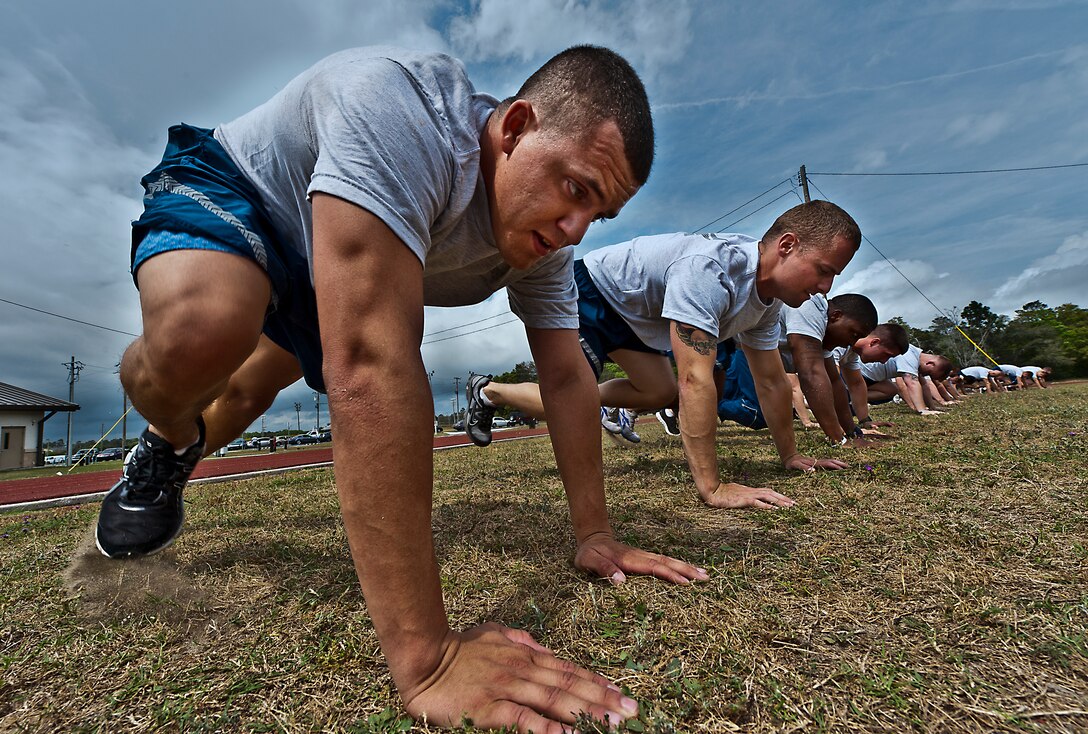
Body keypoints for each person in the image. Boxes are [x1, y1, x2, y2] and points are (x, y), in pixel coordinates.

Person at [93, 45, 705, 732]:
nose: (576, 230)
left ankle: (180, 450)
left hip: (333, 263)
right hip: (247, 193)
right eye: (577, 189)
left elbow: (567, 376)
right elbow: (371, 364)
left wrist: (596, 531)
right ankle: (165, 440)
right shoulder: (405, 114)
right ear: (516, 128)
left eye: (599, 216)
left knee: (242, 397)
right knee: (201, 339)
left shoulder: (546, 245)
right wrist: (430, 659)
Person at [466, 200, 863, 509]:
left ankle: (495, 392)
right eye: (823, 270)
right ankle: (491, 393)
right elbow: (695, 380)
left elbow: (772, 382)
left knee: (657, 393)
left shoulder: (767, 302)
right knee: (573, 399)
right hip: (591, 291)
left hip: (633, 316)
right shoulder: (711, 272)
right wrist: (713, 486)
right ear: (788, 245)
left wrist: (790, 455)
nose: (826, 288)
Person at [718, 293, 879, 446]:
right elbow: (810, 373)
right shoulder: (810, 307)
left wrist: (852, 432)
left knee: (721, 399)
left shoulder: (824, 337)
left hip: (736, 346)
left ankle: (709, 404)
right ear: (836, 316)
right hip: (723, 338)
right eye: (854, 334)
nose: (851, 343)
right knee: (757, 412)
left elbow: (835, 382)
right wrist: (838, 439)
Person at [827, 323, 910, 431]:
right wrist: (849, 430)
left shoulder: (851, 352)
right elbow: (830, 384)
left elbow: (856, 384)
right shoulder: (838, 345)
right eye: (886, 354)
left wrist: (865, 421)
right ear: (874, 342)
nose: (884, 361)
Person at [860, 345, 954, 412]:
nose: (925, 374)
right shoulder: (909, 355)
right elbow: (911, 383)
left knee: (891, 390)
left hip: (873, 378)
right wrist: (922, 409)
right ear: (930, 364)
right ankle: (851, 398)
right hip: (861, 373)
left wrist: (931, 406)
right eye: (928, 373)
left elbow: (924, 385)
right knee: (892, 389)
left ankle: (853, 399)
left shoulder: (917, 357)